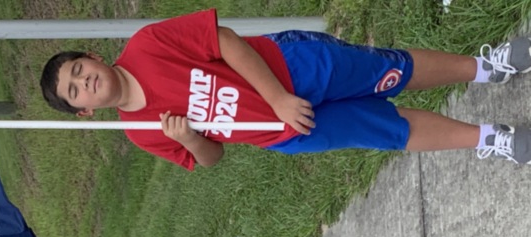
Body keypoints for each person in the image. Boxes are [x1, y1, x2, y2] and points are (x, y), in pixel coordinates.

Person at [40, 8, 531, 168]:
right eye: (75, 91)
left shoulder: (146, 46)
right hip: (287, 132)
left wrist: (276, 96)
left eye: (79, 70)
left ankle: (488, 67)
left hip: (293, 70)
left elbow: (226, 41)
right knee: (386, 131)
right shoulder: (140, 132)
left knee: (390, 71)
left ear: (93, 57)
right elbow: (211, 159)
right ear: (83, 112)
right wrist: (189, 138)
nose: (84, 82)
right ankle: (490, 138)